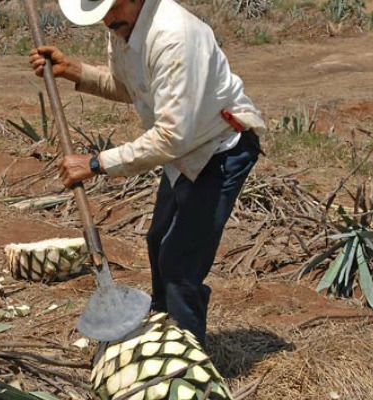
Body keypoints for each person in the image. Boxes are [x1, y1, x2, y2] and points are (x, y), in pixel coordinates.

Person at [29, 0, 265, 346]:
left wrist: (95, 164)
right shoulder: (124, 25)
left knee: (180, 262)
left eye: (114, 6)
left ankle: (186, 360)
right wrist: (74, 70)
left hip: (219, 149)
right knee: (158, 241)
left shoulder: (175, 36)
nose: (108, 19)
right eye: (102, 12)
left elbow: (172, 135)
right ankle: (162, 333)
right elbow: (132, 87)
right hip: (183, 150)